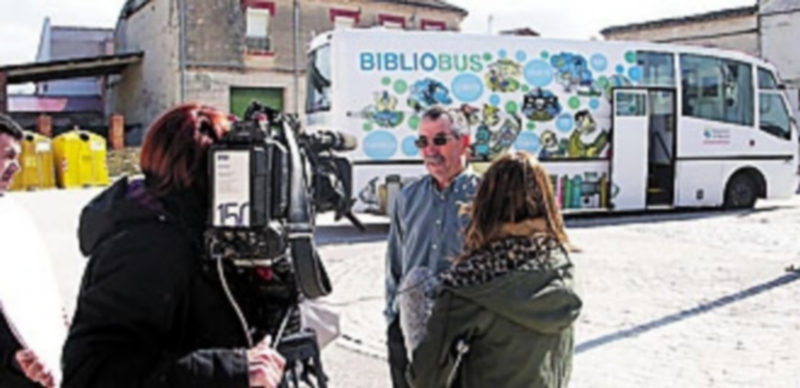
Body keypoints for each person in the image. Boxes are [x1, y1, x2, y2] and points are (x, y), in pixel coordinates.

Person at [61, 103, 286, 388]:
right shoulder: (145, 248)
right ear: (210, 171)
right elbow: (92, 373)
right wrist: (231, 370)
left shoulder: (201, 232)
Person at [407, 151, 582, 388]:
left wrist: (415, 327)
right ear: (548, 203)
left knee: (414, 283)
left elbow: (425, 379)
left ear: (483, 205)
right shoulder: (561, 268)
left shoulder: (469, 287)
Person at [384, 105, 481, 388]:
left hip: (462, 336)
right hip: (408, 330)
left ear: (464, 142)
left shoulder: (487, 195)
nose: (430, 150)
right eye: (422, 142)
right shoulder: (407, 197)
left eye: (439, 140)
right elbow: (395, 265)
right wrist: (392, 319)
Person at [0, 113, 58, 388]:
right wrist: (11, 359)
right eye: (8, 156)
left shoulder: (13, 214)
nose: (16, 167)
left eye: (18, 158)